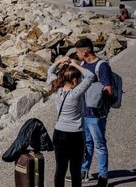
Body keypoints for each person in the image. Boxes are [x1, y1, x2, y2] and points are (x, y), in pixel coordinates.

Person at [47, 56, 95, 187]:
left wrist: (60, 61)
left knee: (60, 169)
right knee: (75, 170)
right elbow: (90, 76)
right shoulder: (75, 93)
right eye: (78, 79)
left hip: (59, 133)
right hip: (75, 134)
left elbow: (50, 72)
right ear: (74, 80)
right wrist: (76, 64)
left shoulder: (56, 89)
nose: (80, 81)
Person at [75, 38, 112, 187]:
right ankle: (84, 171)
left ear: (84, 52)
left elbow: (108, 89)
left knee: (100, 144)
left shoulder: (102, 66)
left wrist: (96, 98)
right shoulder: (83, 64)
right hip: (84, 111)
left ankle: (103, 176)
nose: (76, 55)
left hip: (96, 114)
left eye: (78, 52)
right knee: (87, 143)